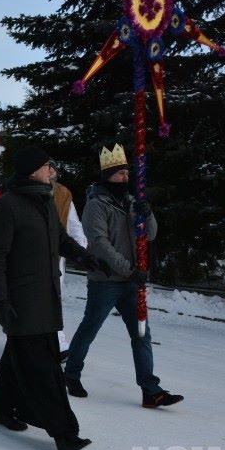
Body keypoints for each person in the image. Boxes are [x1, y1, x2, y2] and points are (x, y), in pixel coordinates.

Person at [0, 145, 107, 450]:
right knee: (44, 369)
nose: (52, 171)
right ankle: (64, 432)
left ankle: (0, 408)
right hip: (22, 301)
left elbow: (60, 239)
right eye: (47, 167)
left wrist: (85, 257)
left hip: (45, 296)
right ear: (32, 171)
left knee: (17, 357)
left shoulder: (45, 201)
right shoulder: (6, 207)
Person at [64, 144, 184, 409]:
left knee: (142, 334)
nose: (125, 178)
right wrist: (131, 271)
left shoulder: (131, 202)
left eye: (127, 173)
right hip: (106, 281)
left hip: (132, 282)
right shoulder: (96, 205)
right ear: (107, 176)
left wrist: (147, 213)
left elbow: (150, 234)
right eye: (119, 174)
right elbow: (99, 244)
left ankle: (150, 390)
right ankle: (71, 374)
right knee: (90, 328)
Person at [52, 175, 88, 361]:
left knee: (54, 299)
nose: (49, 172)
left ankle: (59, 344)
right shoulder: (27, 192)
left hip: (56, 256)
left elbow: (73, 223)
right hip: (31, 257)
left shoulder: (63, 194)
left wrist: (81, 249)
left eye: (51, 169)